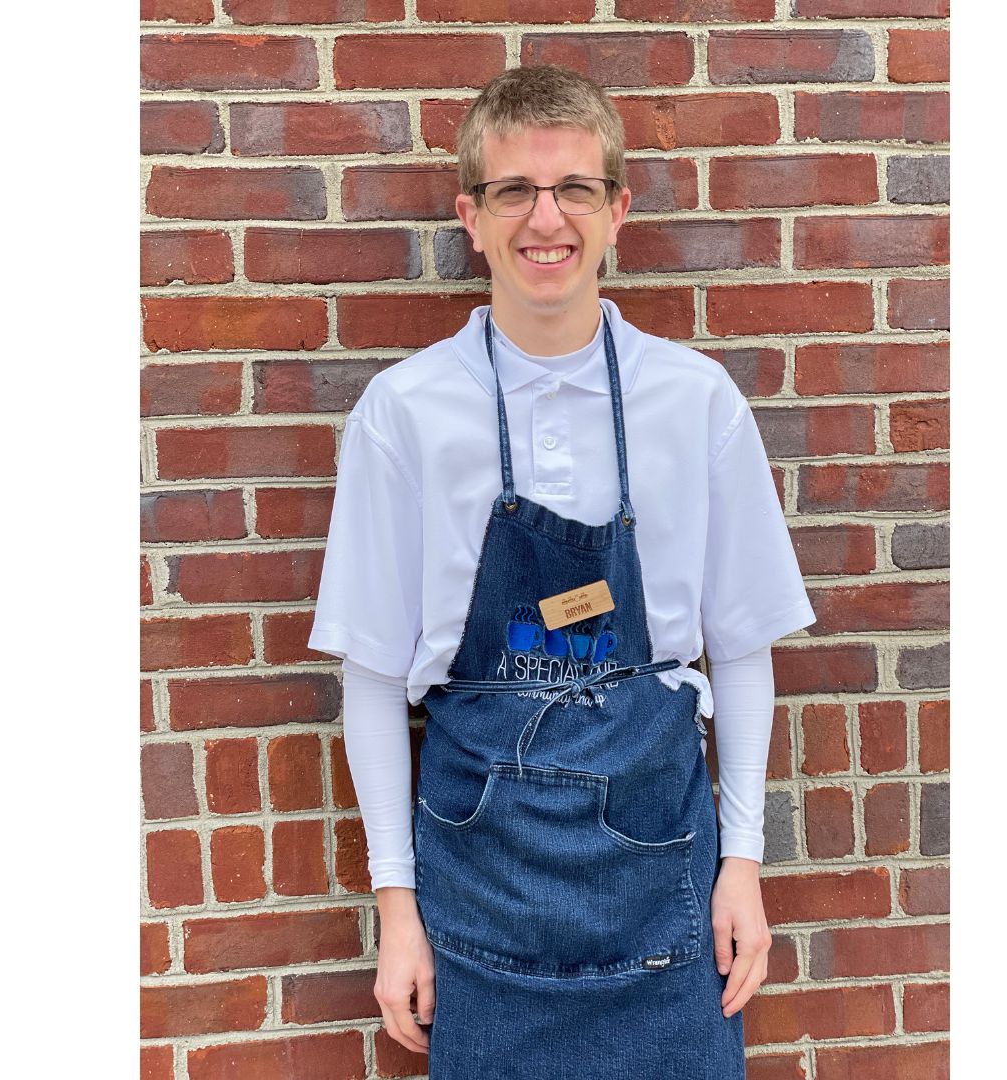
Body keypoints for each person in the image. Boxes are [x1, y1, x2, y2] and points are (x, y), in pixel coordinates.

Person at [307, 64, 815, 1078]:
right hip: (479, 890)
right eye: (515, 192)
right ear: (473, 216)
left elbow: (744, 646)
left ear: (618, 210)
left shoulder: (696, 402)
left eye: (576, 188)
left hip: (661, 882)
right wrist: (396, 908)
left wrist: (744, 863)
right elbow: (369, 675)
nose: (548, 219)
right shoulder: (405, 414)